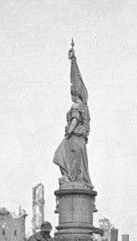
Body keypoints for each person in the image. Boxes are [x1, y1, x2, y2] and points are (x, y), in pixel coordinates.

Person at [52, 45, 92, 189]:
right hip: (80, 141)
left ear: (76, 93)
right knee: (78, 163)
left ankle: (68, 178)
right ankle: (71, 178)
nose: (71, 95)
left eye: (72, 92)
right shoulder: (85, 108)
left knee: (59, 154)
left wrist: (69, 131)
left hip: (74, 138)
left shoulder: (76, 106)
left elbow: (75, 119)